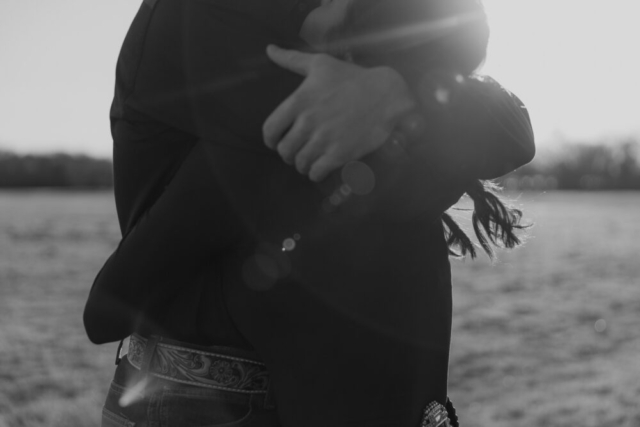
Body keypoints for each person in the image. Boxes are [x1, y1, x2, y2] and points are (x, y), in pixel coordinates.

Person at [84, 0, 535, 426]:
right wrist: (407, 98)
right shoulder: (210, 17)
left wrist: (398, 92)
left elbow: (509, 125)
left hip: (351, 385)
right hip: (217, 397)